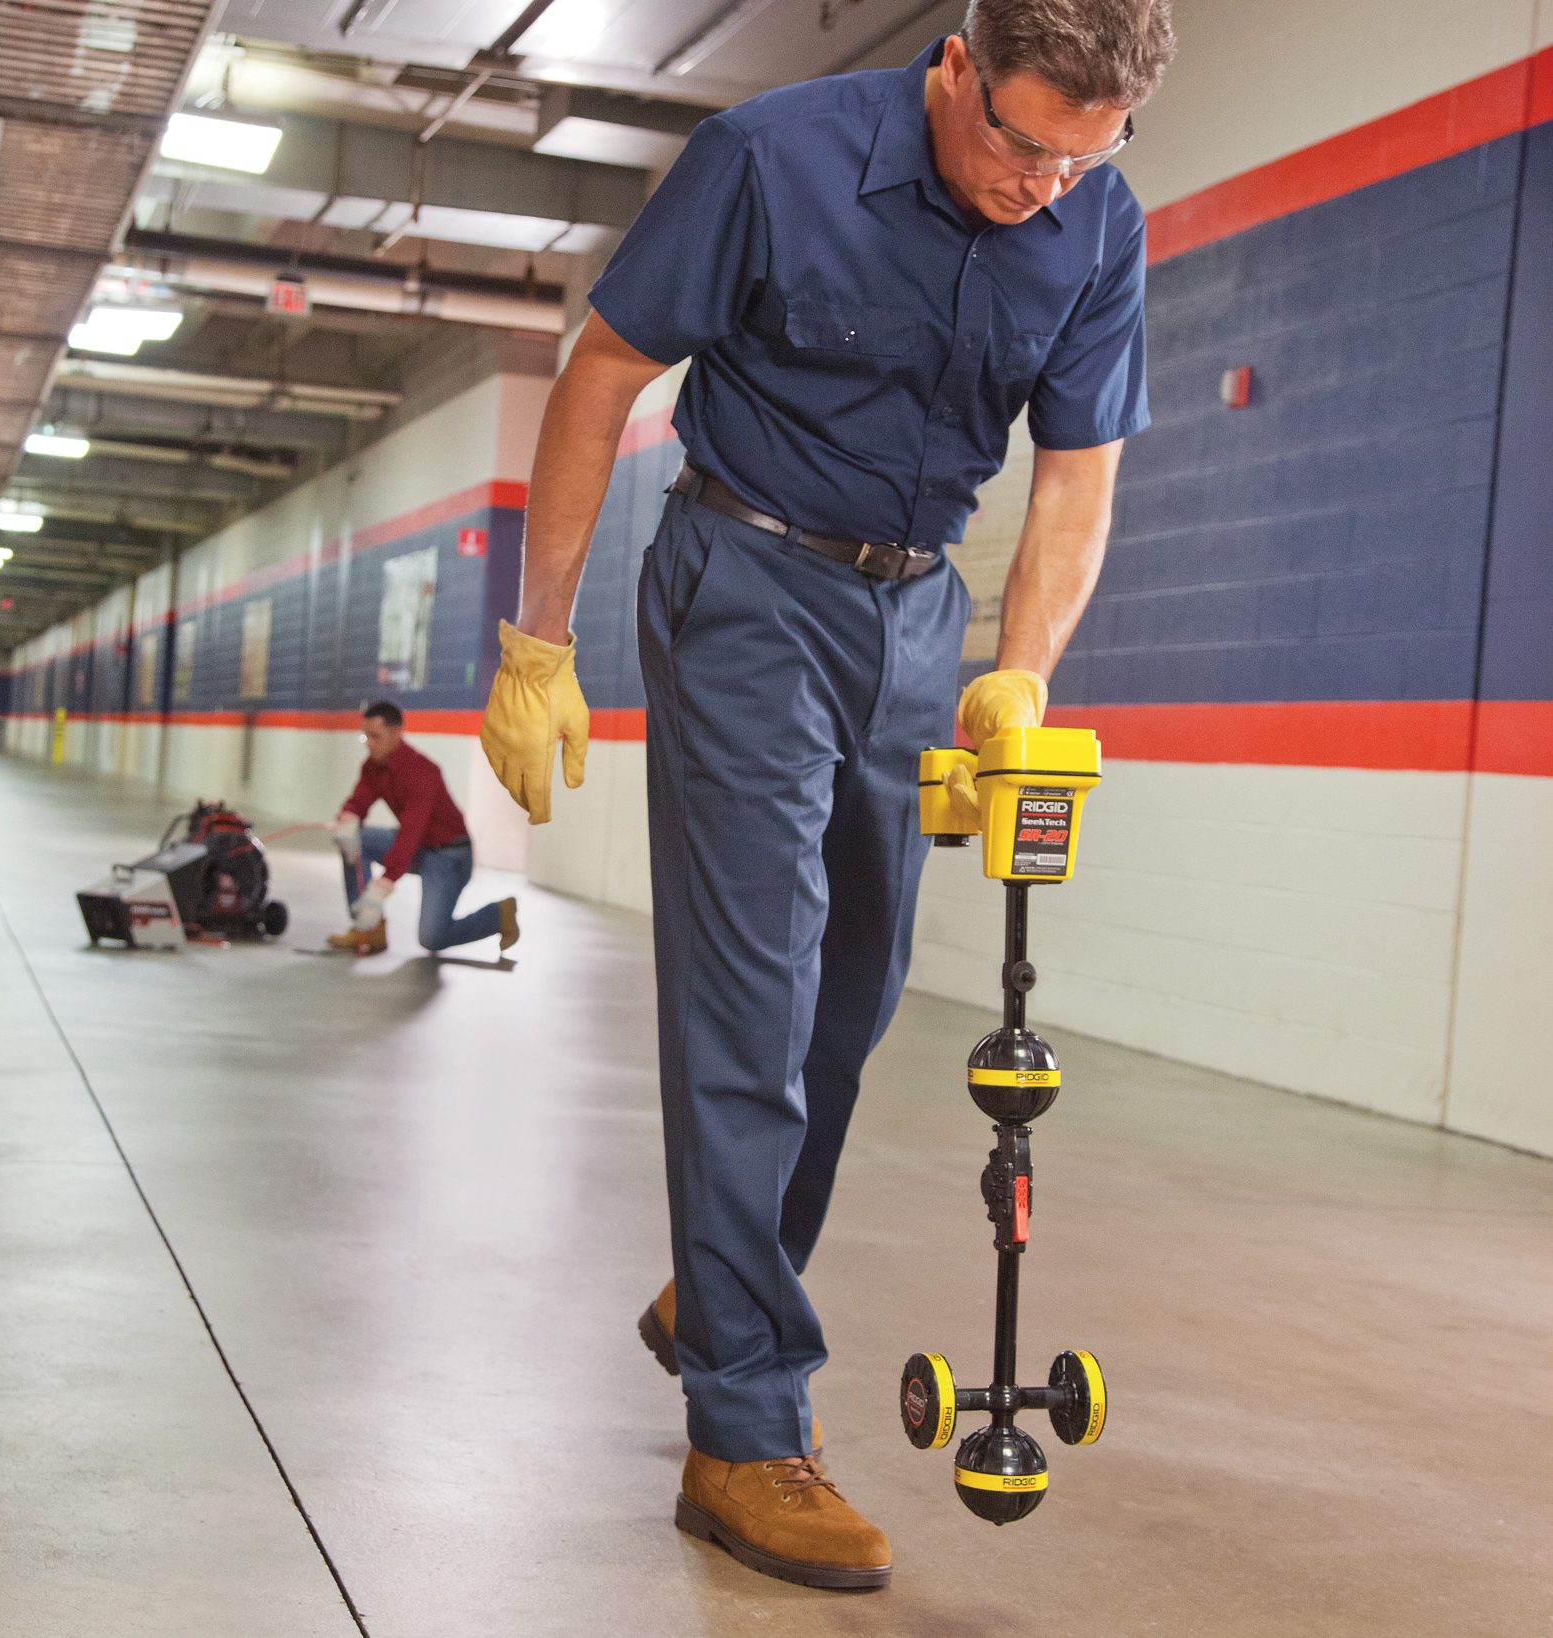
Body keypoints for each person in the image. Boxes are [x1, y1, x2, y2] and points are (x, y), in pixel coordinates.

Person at [481, 0, 1173, 1591]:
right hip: (746, 583)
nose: (1041, 187)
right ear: (954, 66)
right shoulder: (767, 159)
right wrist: (539, 640)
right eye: (1018, 140)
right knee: (752, 993)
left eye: (1084, 155)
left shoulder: (1092, 219)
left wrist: (1023, 671)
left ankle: (724, 1282)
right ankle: (745, 1427)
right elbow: (600, 376)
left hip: (913, 615)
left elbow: (1076, 470)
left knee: (847, 1002)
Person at [329, 700, 519, 958]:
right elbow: (360, 800)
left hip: (449, 856)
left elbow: (411, 831)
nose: (369, 743)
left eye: (376, 736)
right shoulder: (373, 766)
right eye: (366, 736)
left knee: (432, 938)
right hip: (421, 847)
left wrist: (383, 884)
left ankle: (499, 915)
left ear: (397, 733)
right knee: (353, 839)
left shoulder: (422, 772)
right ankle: (368, 928)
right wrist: (349, 817)